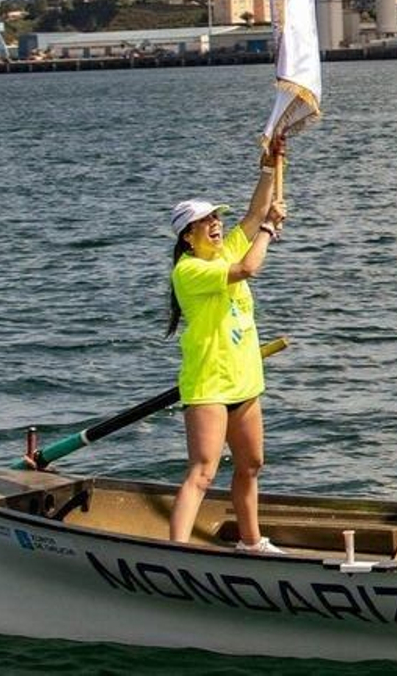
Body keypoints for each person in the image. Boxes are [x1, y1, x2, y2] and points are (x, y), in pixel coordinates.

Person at [166, 143, 287, 551]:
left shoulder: (223, 250)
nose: (216, 224)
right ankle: (175, 551)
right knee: (202, 471)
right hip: (209, 385)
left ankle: (251, 542)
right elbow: (251, 266)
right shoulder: (190, 270)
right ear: (188, 235)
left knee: (252, 465)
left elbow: (253, 214)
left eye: (217, 217)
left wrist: (269, 169)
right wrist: (269, 231)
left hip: (244, 380)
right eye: (206, 221)